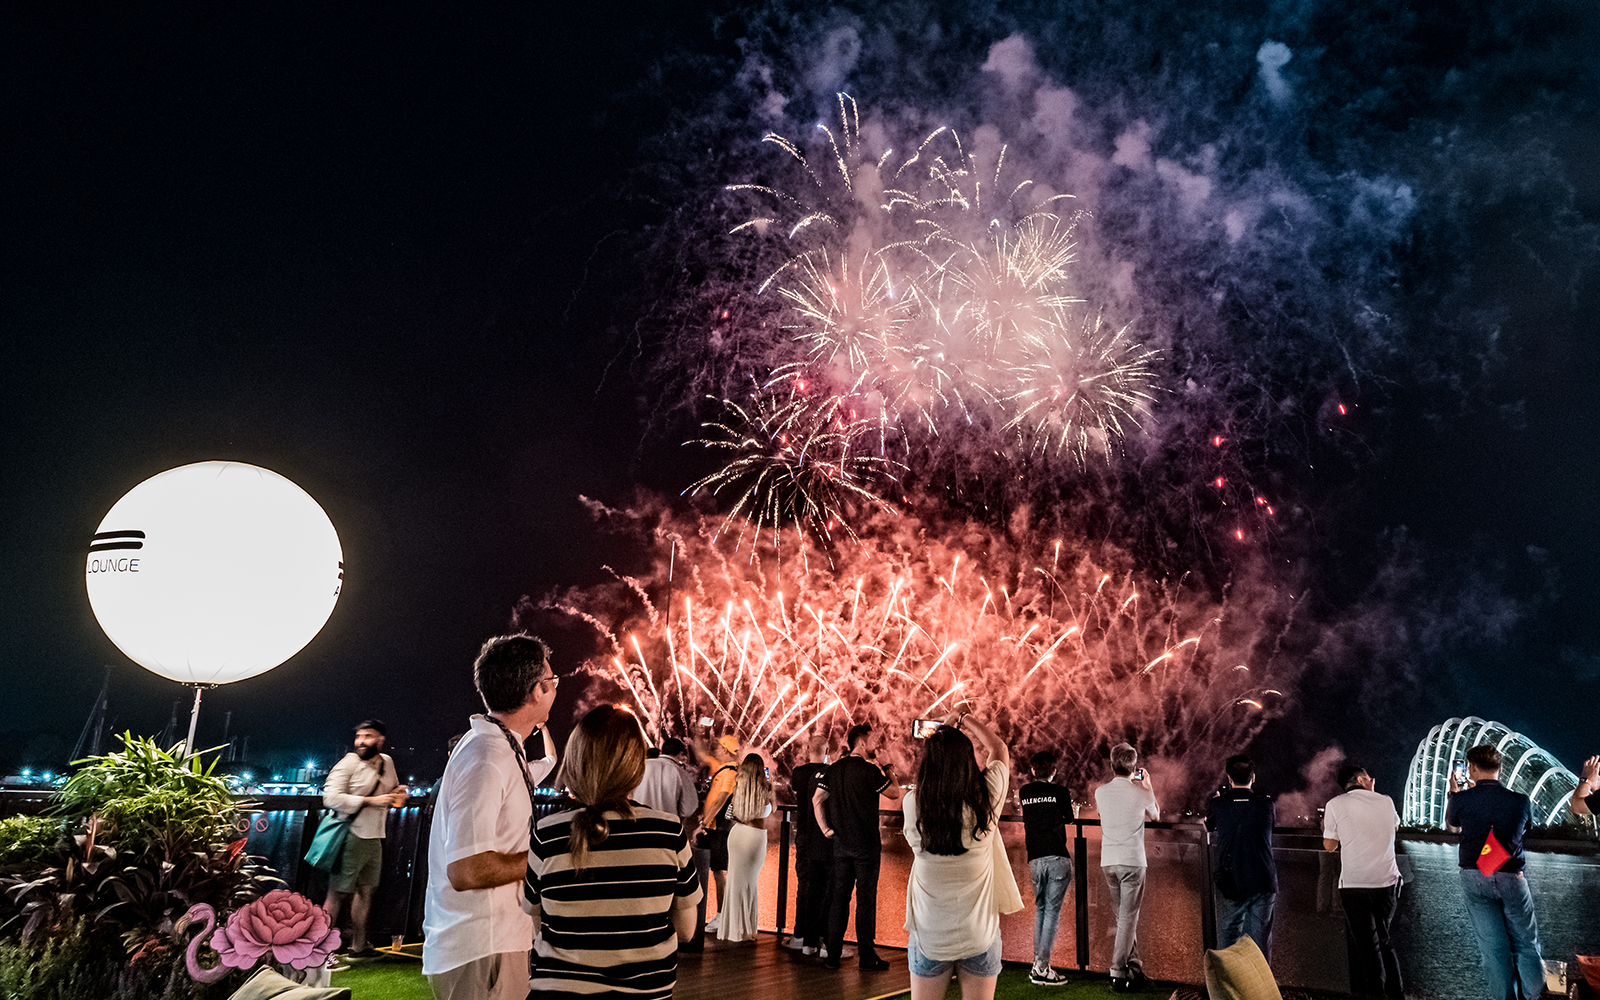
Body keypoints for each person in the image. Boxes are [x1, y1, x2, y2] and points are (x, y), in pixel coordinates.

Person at [523, 705, 700, 998]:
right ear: (636, 766)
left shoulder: (547, 832)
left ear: (575, 760)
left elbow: (539, 922)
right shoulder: (668, 832)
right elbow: (687, 930)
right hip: (644, 991)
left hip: (557, 990)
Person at [423, 633, 560, 1000]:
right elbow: (467, 869)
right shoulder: (486, 757)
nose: (555, 689)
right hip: (481, 947)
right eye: (553, 681)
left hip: (494, 942)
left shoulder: (502, 749)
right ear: (536, 690)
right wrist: (550, 856)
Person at [903, 713, 1020, 1000]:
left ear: (928, 765)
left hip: (930, 935)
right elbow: (999, 750)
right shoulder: (986, 801)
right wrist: (964, 718)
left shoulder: (913, 804)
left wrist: (943, 727)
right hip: (979, 934)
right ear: (968, 760)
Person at [1446, 744, 1545, 1000]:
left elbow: (1453, 825)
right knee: (1526, 943)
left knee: (1493, 948)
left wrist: (1454, 791)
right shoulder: (1521, 801)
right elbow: (1525, 831)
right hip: (1512, 876)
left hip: (1474, 876)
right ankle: (1535, 995)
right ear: (1500, 769)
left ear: (1471, 768)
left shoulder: (1461, 798)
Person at [814, 722, 903, 971]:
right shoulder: (869, 771)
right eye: (872, 741)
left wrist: (825, 829)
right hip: (866, 846)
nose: (876, 745)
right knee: (865, 901)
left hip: (840, 845)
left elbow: (816, 799)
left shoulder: (834, 769)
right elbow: (895, 793)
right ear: (861, 743)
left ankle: (832, 955)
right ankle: (866, 955)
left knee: (839, 900)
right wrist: (888, 770)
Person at [322, 718, 408, 956]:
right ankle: (318, 949)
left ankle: (359, 945)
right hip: (351, 835)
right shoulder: (347, 764)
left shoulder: (387, 762)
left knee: (366, 891)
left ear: (381, 739)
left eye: (368, 736)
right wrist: (371, 801)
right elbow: (330, 798)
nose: (361, 741)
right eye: (359, 736)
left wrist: (398, 795)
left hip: (375, 837)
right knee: (337, 893)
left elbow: (393, 791)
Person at [1322, 764, 1404, 999]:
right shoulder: (1386, 801)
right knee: (1385, 940)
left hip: (1354, 885)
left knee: (1367, 946)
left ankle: (1375, 994)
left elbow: (1329, 846)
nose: (1373, 781)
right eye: (1370, 778)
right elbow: (1395, 827)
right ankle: (1397, 994)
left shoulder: (1335, 804)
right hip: (1387, 883)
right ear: (1360, 780)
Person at [1093, 742, 1158, 992]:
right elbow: (1156, 815)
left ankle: (1135, 968)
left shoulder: (1101, 792)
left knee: (1124, 919)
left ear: (1112, 765)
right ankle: (1118, 972)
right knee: (1128, 919)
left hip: (1109, 861)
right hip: (1132, 861)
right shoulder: (1140, 792)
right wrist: (1148, 787)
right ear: (1134, 766)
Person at [1205, 754, 1276, 958]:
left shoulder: (1218, 804)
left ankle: (1229, 984)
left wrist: (1218, 803)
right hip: (1263, 877)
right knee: (1260, 939)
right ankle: (1260, 987)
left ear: (1229, 778)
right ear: (1253, 777)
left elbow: (1207, 826)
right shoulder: (1266, 804)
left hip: (1232, 879)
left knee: (1228, 934)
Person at [1019, 750, 1073, 986]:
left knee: (1040, 910)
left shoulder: (1025, 791)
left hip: (1035, 858)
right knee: (1051, 912)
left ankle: (1037, 965)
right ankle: (1042, 969)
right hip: (1057, 857)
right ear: (1054, 770)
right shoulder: (1060, 792)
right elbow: (1069, 818)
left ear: (1032, 770)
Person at [784, 732, 833, 955]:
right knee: (825, 888)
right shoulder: (829, 773)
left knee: (804, 886)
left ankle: (800, 934)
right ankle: (822, 938)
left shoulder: (798, 773)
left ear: (807, 750)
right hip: (824, 837)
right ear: (827, 751)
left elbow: (795, 789)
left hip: (803, 835)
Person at [717, 753, 773, 944]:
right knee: (751, 883)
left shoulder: (738, 787)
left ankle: (733, 930)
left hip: (738, 834)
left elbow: (729, 814)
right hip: (756, 836)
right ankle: (748, 929)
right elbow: (769, 809)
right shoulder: (767, 789)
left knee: (735, 882)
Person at [692, 734, 740, 940]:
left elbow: (721, 800)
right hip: (711, 827)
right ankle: (711, 914)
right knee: (710, 870)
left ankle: (721, 915)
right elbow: (701, 753)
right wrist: (699, 732)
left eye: (720, 747)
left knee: (719, 871)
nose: (717, 750)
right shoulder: (718, 768)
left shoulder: (730, 772)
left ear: (727, 751)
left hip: (718, 828)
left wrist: (702, 824)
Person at [634, 737, 699, 827]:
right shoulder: (680, 773)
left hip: (638, 823)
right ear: (680, 754)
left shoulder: (642, 766)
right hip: (666, 827)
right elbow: (689, 808)